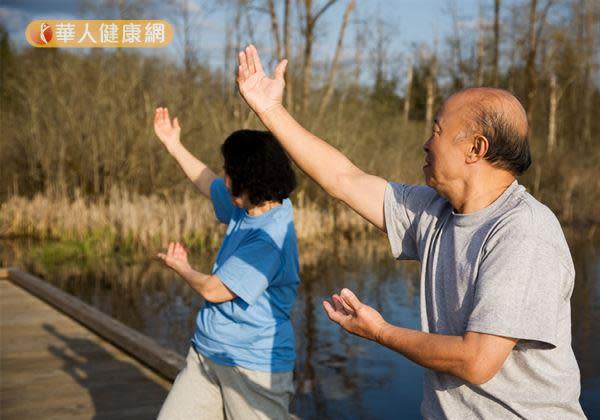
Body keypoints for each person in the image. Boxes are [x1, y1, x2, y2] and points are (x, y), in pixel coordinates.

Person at [235, 45, 586, 419]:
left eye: (437, 130)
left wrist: (381, 332)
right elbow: (343, 179)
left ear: (475, 148)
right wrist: (269, 110)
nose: (426, 142)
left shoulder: (523, 231)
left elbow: (477, 360)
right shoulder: (435, 212)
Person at [153, 107, 299, 419]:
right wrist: (173, 144)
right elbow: (205, 180)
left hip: (252, 366)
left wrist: (182, 267)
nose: (224, 177)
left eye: (229, 171)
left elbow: (214, 290)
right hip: (207, 353)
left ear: (249, 180)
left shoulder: (269, 239)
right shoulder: (246, 206)